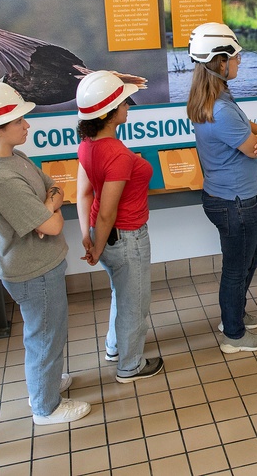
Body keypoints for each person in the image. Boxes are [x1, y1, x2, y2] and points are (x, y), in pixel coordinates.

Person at [0, 81, 90, 425]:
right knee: (44, 335)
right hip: (32, 270)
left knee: (50, 329)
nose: (27, 125)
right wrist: (48, 211)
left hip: (43, 264)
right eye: (19, 120)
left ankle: (45, 382)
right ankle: (45, 406)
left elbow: (54, 188)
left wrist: (47, 206)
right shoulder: (0, 177)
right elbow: (52, 227)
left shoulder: (14, 158)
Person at [186, 22, 257, 353]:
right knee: (235, 270)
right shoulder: (220, 108)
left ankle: (232, 312)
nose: (239, 62)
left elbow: (248, 128)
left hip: (232, 198)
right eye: (235, 57)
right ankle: (233, 334)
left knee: (254, 253)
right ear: (220, 62)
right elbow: (254, 146)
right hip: (235, 203)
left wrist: (255, 131)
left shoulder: (214, 97)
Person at [75, 70, 164, 383]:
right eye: (124, 103)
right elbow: (108, 211)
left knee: (121, 292)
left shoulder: (87, 145)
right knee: (134, 303)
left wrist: (88, 237)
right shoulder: (117, 154)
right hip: (128, 239)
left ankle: (115, 346)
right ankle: (130, 365)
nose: (129, 107)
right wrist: (95, 249)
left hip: (108, 238)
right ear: (110, 113)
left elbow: (85, 194)